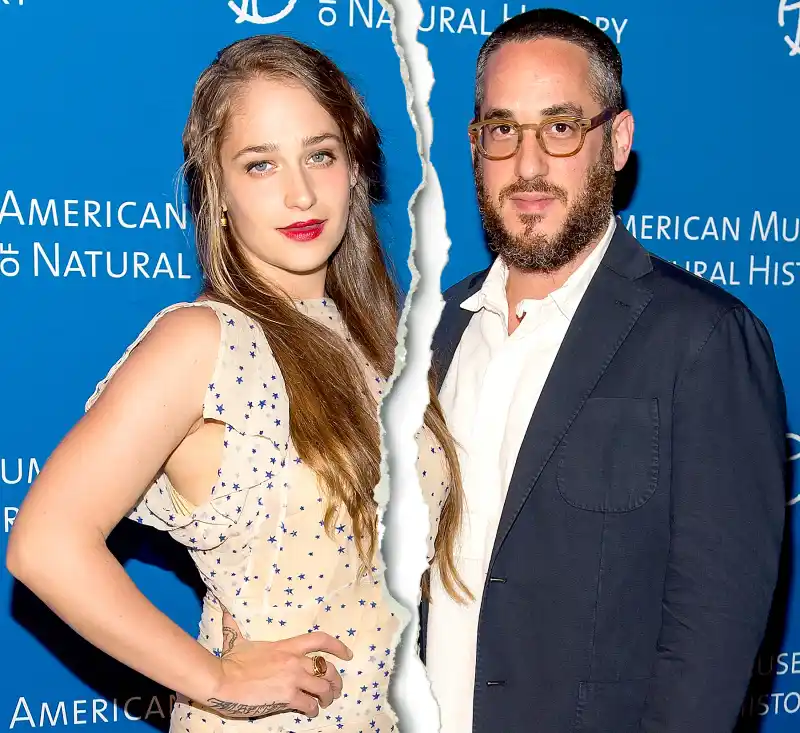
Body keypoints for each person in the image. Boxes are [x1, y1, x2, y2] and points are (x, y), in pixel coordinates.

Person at [6, 35, 467, 733]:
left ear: (354, 168)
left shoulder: (381, 341)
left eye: (320, 153)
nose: (300, 191)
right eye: (260, 165)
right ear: (217, 194)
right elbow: (43, 542)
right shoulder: (204, 341)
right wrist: (214, 678)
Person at [423, 8, 787, 733]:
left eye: (560, 128)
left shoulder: (704, 338)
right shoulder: (432, 329)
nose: (527, 166)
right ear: (474, 145)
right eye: (503, 129)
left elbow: (712, 635)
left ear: (616, 141)